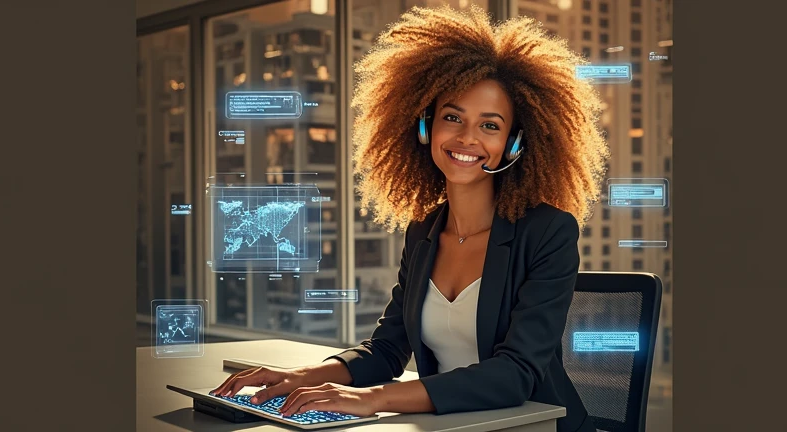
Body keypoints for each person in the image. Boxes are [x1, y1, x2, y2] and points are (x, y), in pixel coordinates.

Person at [212, 5, 609, 431]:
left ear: (514, 144)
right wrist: (301, 377)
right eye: (452, 117)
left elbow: (516, 374)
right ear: (425, 127)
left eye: (490, 126)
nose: (467, 138)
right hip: (452, 425)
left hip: (533, 425)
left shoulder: (548, 232)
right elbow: (387, 349)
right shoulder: (424, 232)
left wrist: (373, 400)